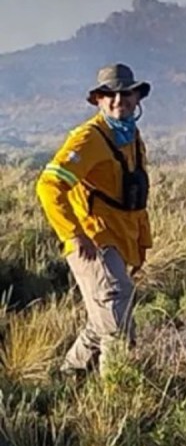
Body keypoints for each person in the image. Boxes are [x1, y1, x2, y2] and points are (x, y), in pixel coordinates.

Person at [36, 63, 153, 378]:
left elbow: (132, 194)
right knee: (116, 317)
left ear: (136, 97)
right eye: (110, 94)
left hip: (119, 239)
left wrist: (140, 241)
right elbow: (48, 186)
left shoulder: (130, 135)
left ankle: (68, 376)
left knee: (101, 317)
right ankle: (117, 400)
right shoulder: (88, 138)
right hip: (93, 240)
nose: (119, 100)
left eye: (125, 93)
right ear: (99, 100)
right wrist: (73, 235)